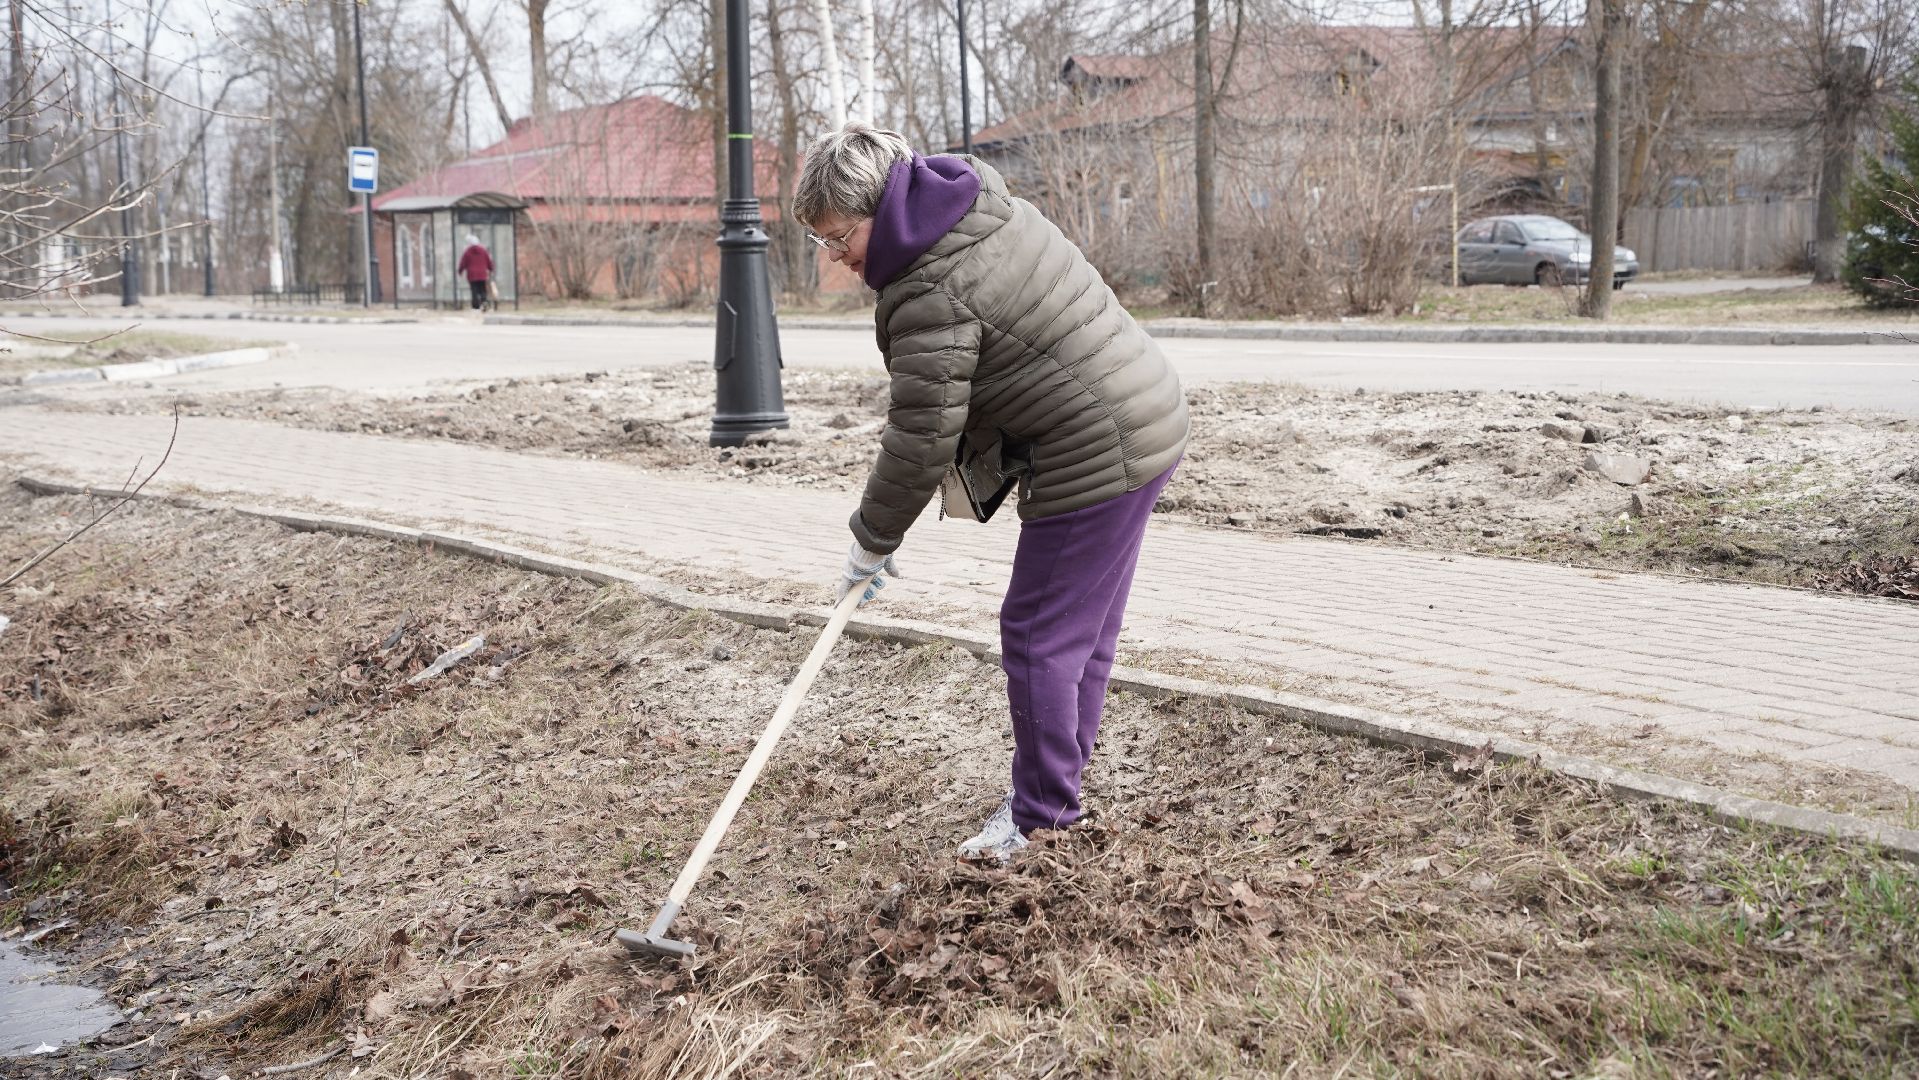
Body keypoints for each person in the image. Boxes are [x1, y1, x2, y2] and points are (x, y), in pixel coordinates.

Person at [793, 123, 1188, 863]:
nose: (838, 259)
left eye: (838, 236)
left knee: (1038, 634)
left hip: (1098, 448)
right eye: (824, 243)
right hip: (1146, 409)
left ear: (880, 208)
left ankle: (1040, 820)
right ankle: (1055, 792)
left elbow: (918, 439)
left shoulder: (926, 288)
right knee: (1080, 635)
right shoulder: (974, 202)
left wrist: (871, 539)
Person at [457, 233, 492, 310]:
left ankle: (476, 305)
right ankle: (484, 301)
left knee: (474, 290)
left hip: (472, 274)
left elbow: (463, 262)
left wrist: (460, 271)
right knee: (482, 289)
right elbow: (488, 261)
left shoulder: (467, 251)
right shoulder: (483, 250)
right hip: (482, 274)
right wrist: (491, 268)